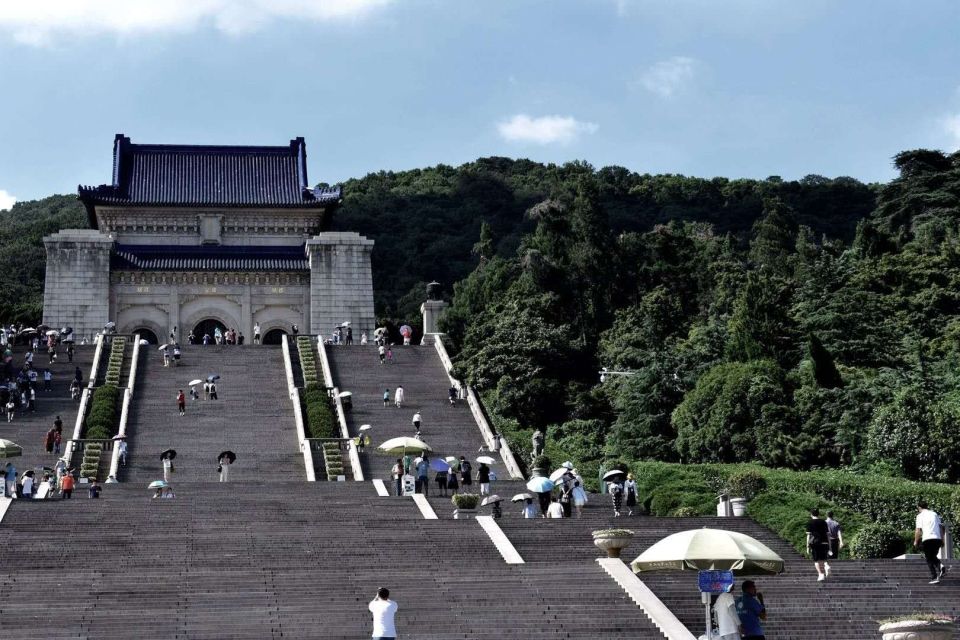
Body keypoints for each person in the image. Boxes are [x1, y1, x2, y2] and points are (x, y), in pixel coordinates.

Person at [914, 500, 947, 584]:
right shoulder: (934, 514)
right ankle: (941, 567)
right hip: (937, 538)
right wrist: (942, 540)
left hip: (927, 539)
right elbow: (941, 528)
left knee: (929, 559)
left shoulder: (919, 516)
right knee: (932, 556)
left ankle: (934, 577)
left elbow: (918, 530)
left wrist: (916, 541)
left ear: (919, 507)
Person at [806, 508, 831, 581]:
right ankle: (826, 565)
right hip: (824, 542)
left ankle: (820, 574)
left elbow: (808, 535)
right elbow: (827, 535)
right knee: (823, 558)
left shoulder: (810, 522)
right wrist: (829, 546)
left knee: (816, 560)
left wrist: (807, 546)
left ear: (811, 514)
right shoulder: (823, 522)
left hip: (815, 543)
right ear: (818, 514)